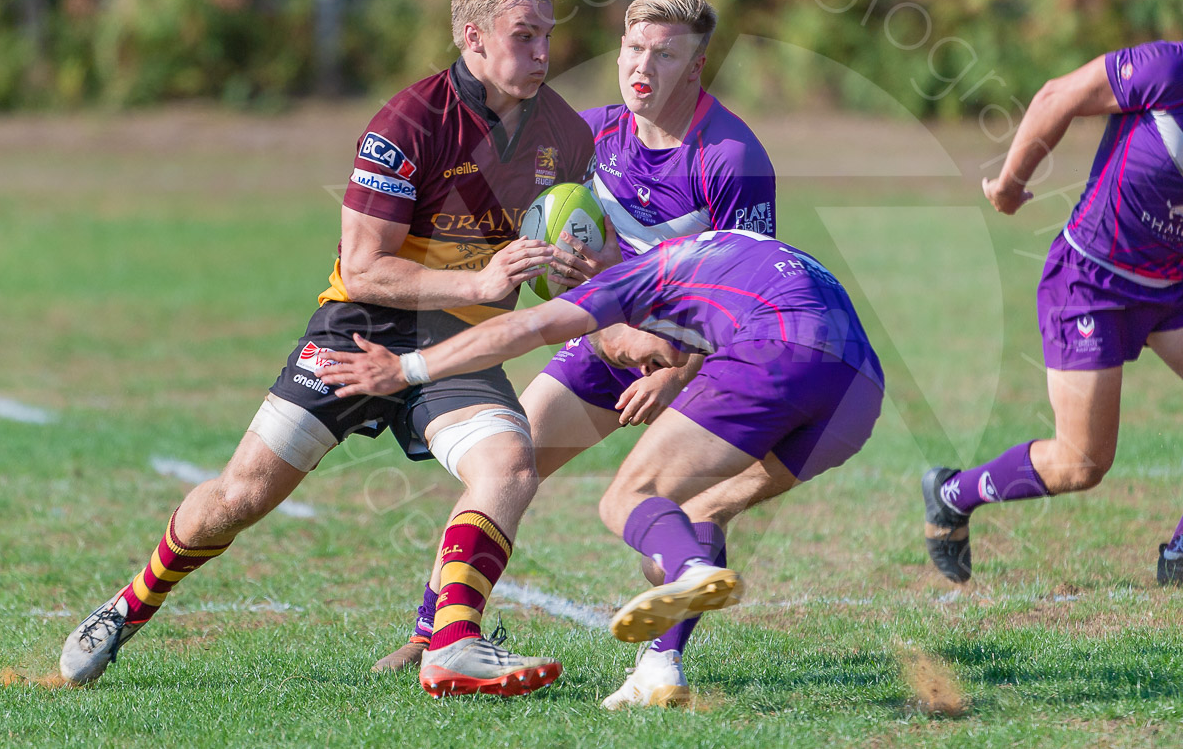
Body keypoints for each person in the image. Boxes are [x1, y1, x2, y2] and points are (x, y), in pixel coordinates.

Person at [58, 0, 594, 698]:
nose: (542, 54)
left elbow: (549, 252)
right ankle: (126, 608)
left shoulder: (566, 133)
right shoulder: (408, 122)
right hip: (361, 331)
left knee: (509, 464)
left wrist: (566, 269)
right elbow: (366, 266)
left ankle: (454, 644)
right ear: (472, 37)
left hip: (458, 347)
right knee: (240, 497)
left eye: (548, 36)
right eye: (524, 35)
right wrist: (481, 278)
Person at [372, 0, 777, 711]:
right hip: (609, 347)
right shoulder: (585, 137)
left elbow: (748, 294)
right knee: (508, 463)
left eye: (665, 52)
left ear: (698, 64)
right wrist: (539, 258)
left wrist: (678, 372)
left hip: (708, 362)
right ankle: (436, 630)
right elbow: (513, 212)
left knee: (691, 504)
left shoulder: (731, 159)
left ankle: (664, 666)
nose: (642, 66)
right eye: (632, 48)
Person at [318, 229, 883, 701]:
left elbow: (519, 330)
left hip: (780, 350)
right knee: (703, 505)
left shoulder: (635, 279)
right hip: (860, 392)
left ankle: (689, 570)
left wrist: (408, 369)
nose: (649, 365)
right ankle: (660, 669)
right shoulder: (728, 256)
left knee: (624, 500)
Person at [923, 0, 1183, 589]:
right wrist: (1009, 182)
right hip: (1092, 280)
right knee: (1082, 462)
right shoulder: (1178, 66)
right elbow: (1061, 94)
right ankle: (954, 493)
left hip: (1175, 278)